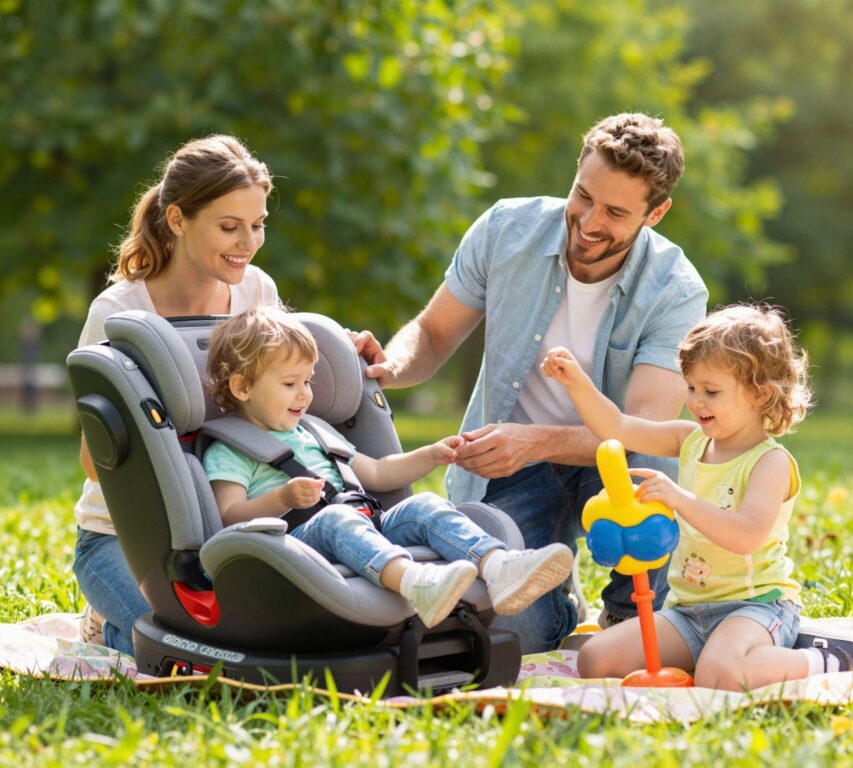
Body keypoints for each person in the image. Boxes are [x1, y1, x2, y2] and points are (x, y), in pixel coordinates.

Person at [352, 113, 708, 652]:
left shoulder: (675, 290)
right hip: (511, 470)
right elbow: (433, 333)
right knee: (512, 631)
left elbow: (645, 432)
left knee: (651, 461)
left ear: (655, 213)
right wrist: (390, 365)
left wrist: (536, 442)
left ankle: (626, 619)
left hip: (612, 466)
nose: (588, 222)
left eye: (615, 212)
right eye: (582, 196)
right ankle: (564, 612)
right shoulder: (505, 230)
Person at [542, 304, 853, 689]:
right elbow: (618, 427)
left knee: (722, 675)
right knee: (596, 659)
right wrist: (577, 383)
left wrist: (680, 499)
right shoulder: (689, 441)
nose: (696, 401)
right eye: (692, 387)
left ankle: (819, 659)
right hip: (689, 611)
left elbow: (745, 536)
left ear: (760, 395)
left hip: (755, 607)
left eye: (711, 391)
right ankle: (725, 654)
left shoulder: (770, 462)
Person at [203, 306, 574, 628]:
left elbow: (378, 473)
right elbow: (228, 518)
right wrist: (282, 498)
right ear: (241, 387)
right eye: (289, 383)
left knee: (424, 506)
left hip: (363, 523)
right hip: (294, 548)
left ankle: (499, 568)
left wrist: (428, 455)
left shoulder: (315, 433)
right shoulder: (231, 451)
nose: (304, 394)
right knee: (337, 519)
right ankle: (417, 583)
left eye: (307, 381)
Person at [74, 135, 280, 654]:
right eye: (229, 227)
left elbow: (288, 393)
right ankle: (105, 621)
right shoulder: (118, 311)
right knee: (190, 648)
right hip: (125, 540)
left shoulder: (258, 293)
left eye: (257, 225)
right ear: (178, 219)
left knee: (260, 641)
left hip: (227, 525)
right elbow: (94, 462)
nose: (248, 243)